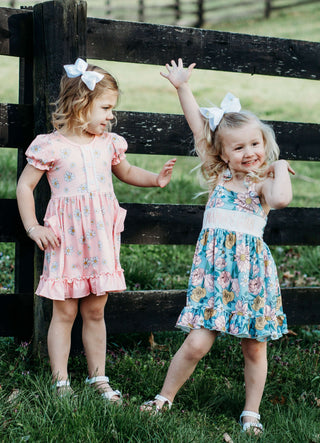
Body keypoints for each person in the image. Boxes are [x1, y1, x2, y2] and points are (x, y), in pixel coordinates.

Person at [141, 59, 294, 434]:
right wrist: (181, 87)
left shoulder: (261, 183)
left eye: (255, 144)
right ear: (222, 153)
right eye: (238, 147)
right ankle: (163, 398)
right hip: (213, 277)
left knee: (254, 346)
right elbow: (198, 125)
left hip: (251, 278)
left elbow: (282, 200)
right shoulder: (222, 176)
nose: (249, 153)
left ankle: (251, 413)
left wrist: (279, 166)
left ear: (265, 145)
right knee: (196, 343)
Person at [16, 58, 176, 400]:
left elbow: (128, 172)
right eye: (105, 108)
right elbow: (24, 186)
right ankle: (61, 382)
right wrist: (32, 227)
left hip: (101, 239)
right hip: (67, 239)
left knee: (94, 309)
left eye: (112, 109)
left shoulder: (109, 143)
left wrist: (156, 180)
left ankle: (98, 378)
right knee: (65, 310)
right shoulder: (51, 145)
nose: (110, 116)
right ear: (79, 104)